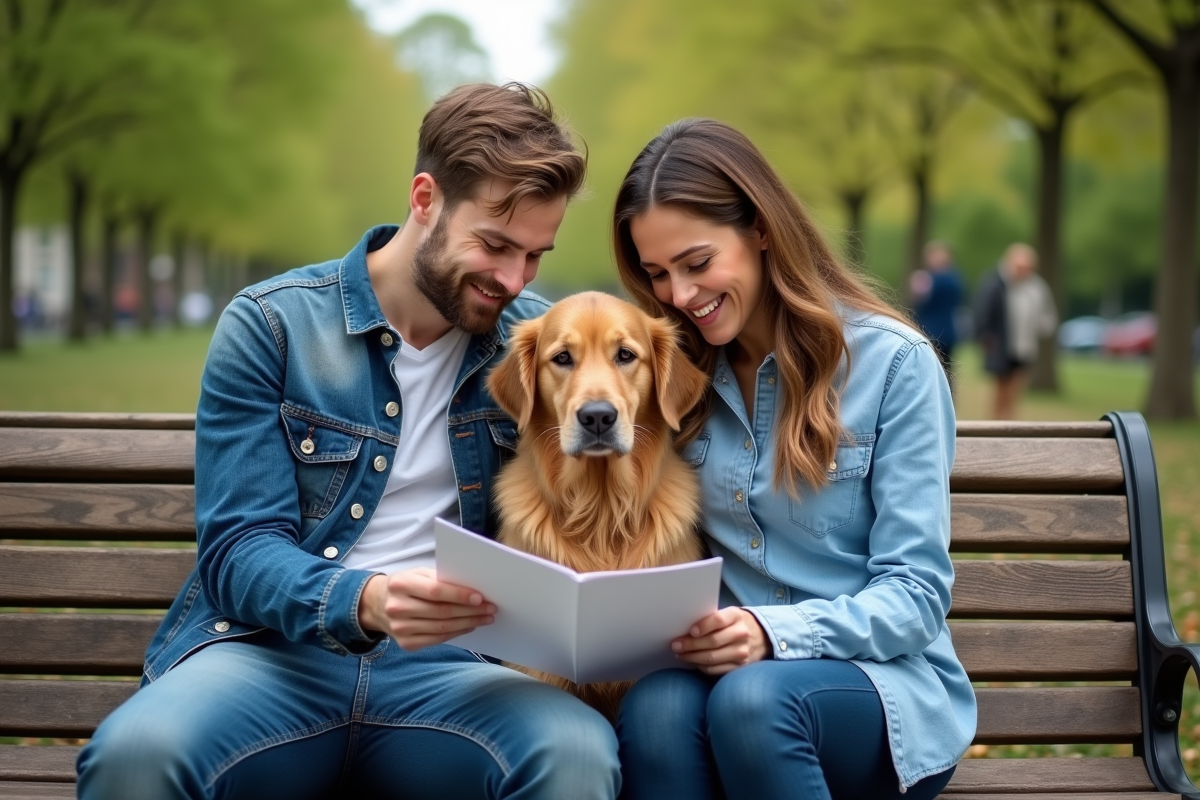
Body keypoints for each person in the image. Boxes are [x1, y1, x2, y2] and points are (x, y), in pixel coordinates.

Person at [76, 83, 621, 800]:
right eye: (494, 245)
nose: (513, 280)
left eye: (534, 256)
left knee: (575, 754)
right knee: (137, 756)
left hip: (453, 675)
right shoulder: (272, 327)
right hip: (273, 658)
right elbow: (237, 553)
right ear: (425, 199)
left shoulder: (539, 343)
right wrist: (365, 599)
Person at [610, 118, 976, 800]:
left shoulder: (892, 365)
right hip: (725, 685)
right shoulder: (672, 377)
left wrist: (770, 634)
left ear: (761, 229)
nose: (681, 296)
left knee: (755, 702)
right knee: (657, 708)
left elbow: (916, 597)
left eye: (696, 263)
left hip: (874, 689)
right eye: (657, 275)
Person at [973, 243, 1057, 420]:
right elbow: (983, 312)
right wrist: (985, 336)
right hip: (1001, 345)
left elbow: (1047, 316)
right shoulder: (996, 283)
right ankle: (996, 422)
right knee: (1000, 387)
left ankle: (1009, 421)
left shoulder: (1037, 287)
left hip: (1025, 345)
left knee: (1016, 388)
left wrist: (1041, 328)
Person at [910, 240, 964, 369]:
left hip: (929, 329)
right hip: (949, 330)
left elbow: (919, 302)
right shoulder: (956, 279)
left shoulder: (926, 280)